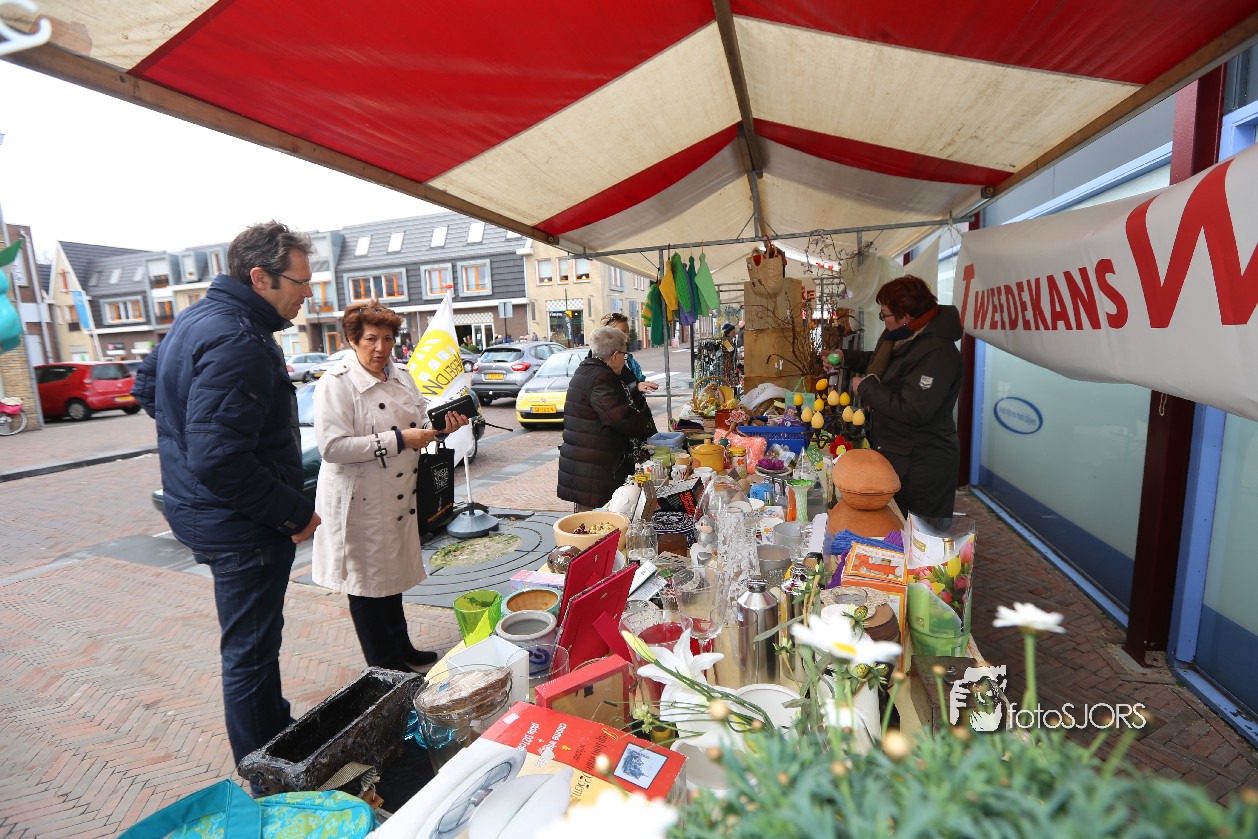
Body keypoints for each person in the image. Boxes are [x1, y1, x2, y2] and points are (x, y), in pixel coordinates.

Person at [133, 220, 321, 779]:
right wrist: (292, 511)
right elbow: (219, 458)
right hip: (241, 525)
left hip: (213, 513)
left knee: (256, 641)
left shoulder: (198, 319)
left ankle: (275, 730)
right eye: (300, 282)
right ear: (260, 278)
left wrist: (183, 434)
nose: (308, 293)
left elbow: (148, 387)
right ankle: (264, 769)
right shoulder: (239, 339)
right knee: (251, 652)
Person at [311, 302, 468, 672]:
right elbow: (332, 448)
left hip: (396, 498)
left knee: (390, 577)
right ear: (352, 340)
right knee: (366, 586)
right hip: (360, 502)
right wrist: (399, 440)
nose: (380, 348)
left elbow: (421, 418)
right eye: (371, 339)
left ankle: (402, 647)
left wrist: (440, 428)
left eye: (387, 339)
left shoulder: (401, 376)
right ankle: (384, 666)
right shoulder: (336, 383)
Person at [824, 275, 963, 524]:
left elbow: (914, 410)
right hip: (900, 455)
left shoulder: (938, 352)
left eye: (885, 315)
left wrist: (866, 388)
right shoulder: (905, 336)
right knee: (896, 528)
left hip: (922, 466)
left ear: (906, 316)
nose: (883, 320)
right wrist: (845, 357)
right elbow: (886, 366)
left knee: (922, 536)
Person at [557, 325, 656, 511]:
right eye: (624, 355)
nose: (624, 360)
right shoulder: (602, 377)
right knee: (596, 522)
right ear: (615, 355)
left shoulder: (587, 370)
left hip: (588, 465)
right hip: (594, 470)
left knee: (590, 519)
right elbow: (621, 418)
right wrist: (644, 424)